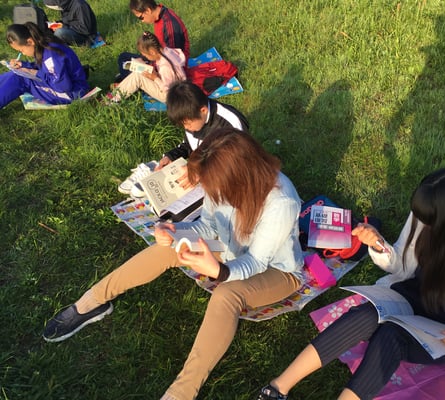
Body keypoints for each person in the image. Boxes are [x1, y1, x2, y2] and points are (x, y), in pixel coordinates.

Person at [43, 127, 305, 400]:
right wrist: (175, 231)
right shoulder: (219, 179)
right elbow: (207, 226)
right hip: (229, 249)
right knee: (167, 248)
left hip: (276, 271)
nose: (213, 191)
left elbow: (256, 261)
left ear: (240, 175)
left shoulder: (281, 202)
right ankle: (93, 301)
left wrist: (220, 271)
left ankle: (182, 392)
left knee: (227, 295)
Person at [257, 168, 445, 400]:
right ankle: (278, 387)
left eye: (432, 225)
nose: (425, 228)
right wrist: (378, 244)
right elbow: (401, 264)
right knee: (366, 315)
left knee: (391, 335)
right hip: (409, 299)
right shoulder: (431, 214)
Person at [118, 80, 249, 196]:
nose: (186, 128)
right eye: (182, 125)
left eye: (187, 124)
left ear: (203, 110)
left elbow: (239, 163)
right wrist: (171, 156)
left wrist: (201, 172)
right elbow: (188, 145)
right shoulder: (193, 119)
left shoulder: (231, 123)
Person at [0, 22, 89, 109]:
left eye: (21, 50)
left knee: (20, 79)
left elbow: (63, 86)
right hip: (67, 87)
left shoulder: (51, 54)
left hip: (72, 93)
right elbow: (46, 68)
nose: (23, 53)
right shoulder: (46, 45)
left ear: (30, 42)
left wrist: (34, 73)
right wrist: (24, 65)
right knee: (16, 73)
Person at [116, 0, 190, 82]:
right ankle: (126, 78)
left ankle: (127, 80)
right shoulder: (160, 14)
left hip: (168, 65)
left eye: (141, 17)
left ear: (148, 10)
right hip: (159, 56)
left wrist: (152, 67)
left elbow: (172, 60)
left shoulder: (169, 26)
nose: (142, 21)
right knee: (123, 57)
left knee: (131, 69)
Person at [106, 31, 186, 104]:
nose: (146, 57)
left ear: (152, 52)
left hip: (171, 96)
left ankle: (111, 100)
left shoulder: (165, 67)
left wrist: (155, 78)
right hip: (176, 86)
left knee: (138, 76)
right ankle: (115, 94)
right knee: (139, 73)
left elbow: (168, 89)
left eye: (146, 55)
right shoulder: (167, 51)